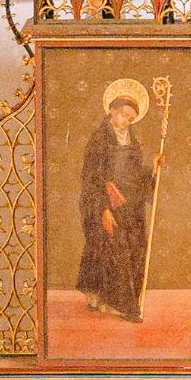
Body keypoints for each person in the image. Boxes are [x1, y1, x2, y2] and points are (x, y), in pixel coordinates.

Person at [77, 79, 162, 324]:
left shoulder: (132, 143)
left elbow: (135, 175)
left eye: (131, 117)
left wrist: (153, 170)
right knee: (113, 251)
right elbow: (92, 178)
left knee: (133, 249)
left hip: (130, 207)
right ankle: (121, 305)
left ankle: (115, 299)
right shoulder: (98, 140)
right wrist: (103, 208)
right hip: (105, 204)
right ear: (112, 111)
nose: (126, 120)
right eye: (124, 114)